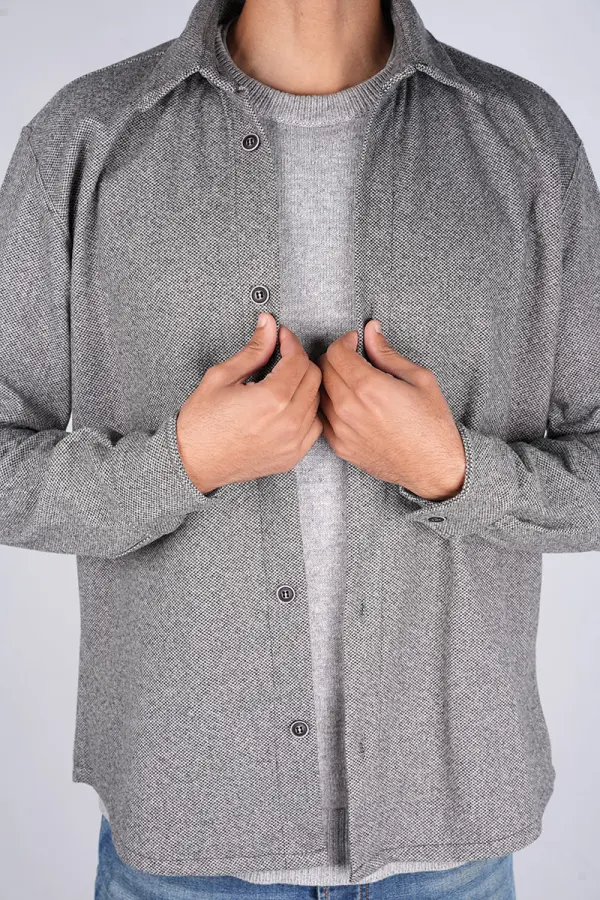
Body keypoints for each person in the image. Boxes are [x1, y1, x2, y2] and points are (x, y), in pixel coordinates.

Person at [1, 0, 599, 897]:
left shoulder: (524, 141)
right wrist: (180, 465)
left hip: (450, 850)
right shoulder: (87, 136)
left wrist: (457, 474)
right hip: (186, 844)